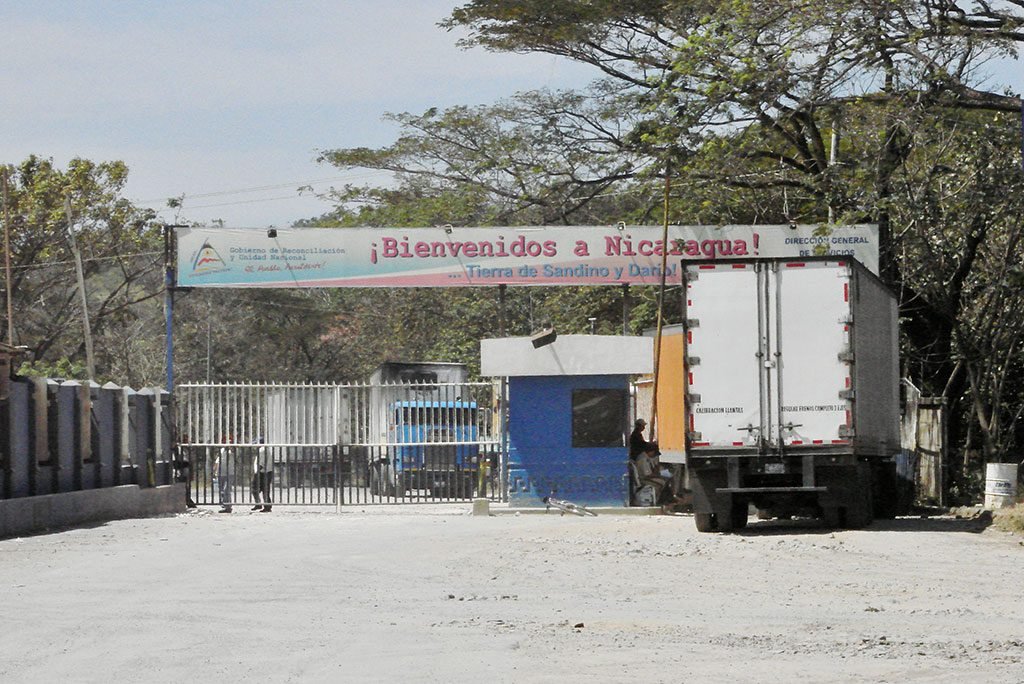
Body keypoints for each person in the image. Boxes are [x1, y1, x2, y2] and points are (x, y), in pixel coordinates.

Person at [251, 439, 274, 512]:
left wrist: (256, 473)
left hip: (262, 472)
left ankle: (262, 505)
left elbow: (261, 463)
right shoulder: (265, 449)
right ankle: (266, 505)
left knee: (255, 489)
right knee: (265, 490)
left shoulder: (262, 450)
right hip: (266, 472)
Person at [214, 439, 234, 513]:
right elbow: (217, 461)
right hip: (220, 472)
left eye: (230, 443)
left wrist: (231, 448)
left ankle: (228, 506)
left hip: (229, 473)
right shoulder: (221, 450)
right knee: (222, 490)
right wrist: (215, 471)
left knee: (226, 490)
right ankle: (224, 506)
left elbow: (235, 454)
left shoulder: (232, 451)